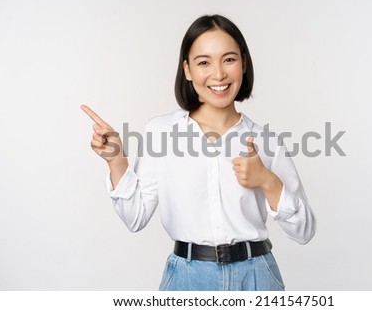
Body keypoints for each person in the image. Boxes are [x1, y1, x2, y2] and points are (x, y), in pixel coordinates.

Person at [81, 14, 316, 291]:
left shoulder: (266, 141)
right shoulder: (161, 132)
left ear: (243, 64)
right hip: (187, 279)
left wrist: (267, 181)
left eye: (229, 59)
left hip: (256, 278)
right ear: (188, 70)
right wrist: (117, 162)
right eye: (204, 62)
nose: (218, 74)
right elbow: (135, 218)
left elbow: (304, 231)